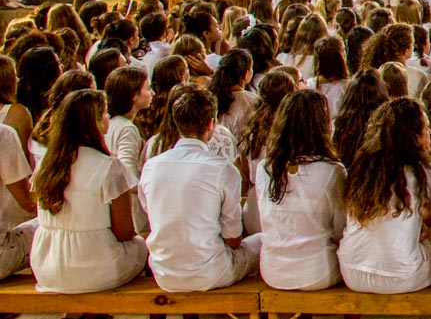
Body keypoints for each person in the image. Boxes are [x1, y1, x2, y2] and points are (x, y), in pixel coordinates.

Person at [138, 86, 260, 292]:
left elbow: (151, 213)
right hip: (210, 272)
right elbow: (233, 239)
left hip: (164, 271)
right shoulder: (223, 170)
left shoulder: (152, 166)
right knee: (261, 242)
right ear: (212, 123)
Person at [30, 88, 146, 293]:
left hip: (45, 264)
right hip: (93, 267)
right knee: (145, 246)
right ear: (93, 122)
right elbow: (124, 231)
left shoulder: (46, 164)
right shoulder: (109, 166)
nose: (108, 118)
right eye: (104, 113)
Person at [339, 98, 431, 294]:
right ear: (413, 136)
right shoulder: (425, 173)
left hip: (352, 271)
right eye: (426, 129)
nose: (430, 133)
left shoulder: (361, 169)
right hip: (403, 277)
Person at [254, 89, 345, 291]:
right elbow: (341, 230)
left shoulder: (265, 167)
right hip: (318, 271)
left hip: (273, 270)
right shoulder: (332, 171)